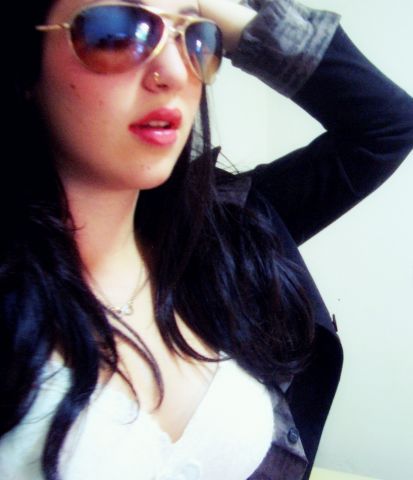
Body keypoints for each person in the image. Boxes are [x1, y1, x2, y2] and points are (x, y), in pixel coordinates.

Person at [0, 0, 412, 479]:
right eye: (117, 31)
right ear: (24, 60)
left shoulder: (228, 228)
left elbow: (387, 125)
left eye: (196, 37)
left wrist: (224, 14)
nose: (176, 73)